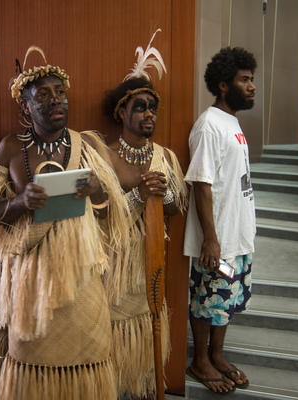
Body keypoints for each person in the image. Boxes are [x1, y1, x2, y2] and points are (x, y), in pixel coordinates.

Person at [0, 47, 130, 400]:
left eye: (60, 92)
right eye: (43, 94)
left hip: (80, 274)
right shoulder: (10, 148)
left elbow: (108, 214)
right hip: (29, 279)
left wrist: (98, 190)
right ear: (26, 106)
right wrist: (20, 203)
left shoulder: (86, 145)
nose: (56, 100)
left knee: (88, 351)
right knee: (32, 353)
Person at [101, 33, 188, 399]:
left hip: (149, 260)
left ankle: (138, 386)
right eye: (140, 106)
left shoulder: (166, 157)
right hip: (113, 263)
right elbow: (97, 213)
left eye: (153, 106)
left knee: (145, 324)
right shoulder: (103, 154)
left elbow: (175, 209)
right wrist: (138, 193)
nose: (149, 113)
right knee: (110, 327)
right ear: (122, 112)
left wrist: (163, 193)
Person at [183, 47, 256, 394]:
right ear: (224, 85)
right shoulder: (209, 125)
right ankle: (200, 361)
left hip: (236, 234)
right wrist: (210, 239)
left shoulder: (232, 122)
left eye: (252, 79)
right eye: (245, 79)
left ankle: (216, 355)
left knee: (225, 300)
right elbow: (202, 184)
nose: (252, 86)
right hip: (218, 238)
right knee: (207, 298)